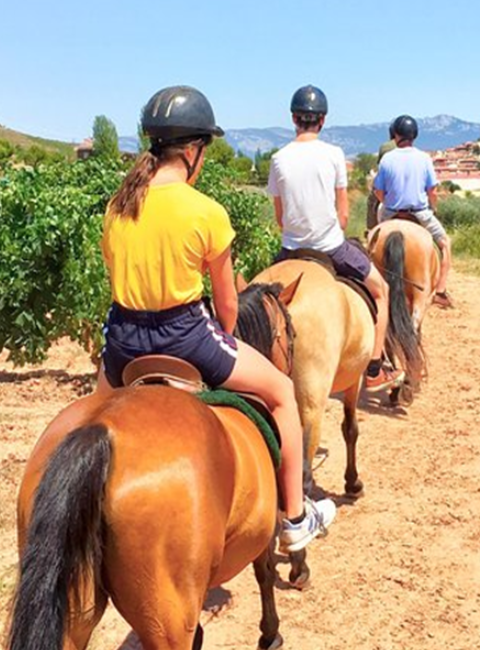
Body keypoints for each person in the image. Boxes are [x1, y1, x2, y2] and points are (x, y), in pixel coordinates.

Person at [98, 85, 335, 553]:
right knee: (284, 395)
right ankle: (293, 518)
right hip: (186, 335)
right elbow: (227, 306)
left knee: (88, 423)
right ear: (192, 151)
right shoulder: (205, 211)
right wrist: (227, 342)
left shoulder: (117, 207)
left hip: (122, 341)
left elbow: (116, 282)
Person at [267, 85, 405, 391]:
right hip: (331, 247)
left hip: (290, 251)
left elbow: (279, 218)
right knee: (381, 290)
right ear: (323, 120)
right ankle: (373, 369)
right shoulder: (334, 154)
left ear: (293, 118)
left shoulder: (278, 159)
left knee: (257, 299)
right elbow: (342, 215)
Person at [373, 114, 454, 308]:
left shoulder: (387, 159)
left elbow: (378, 191)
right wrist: (432, 208)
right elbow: (432, 191)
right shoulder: (425, 158)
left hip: (391, 212)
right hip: (419, 212)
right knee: (445, 244)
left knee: (374, 240)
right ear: (414, 135)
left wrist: (388, 203)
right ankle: (441, 291)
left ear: (396, 135)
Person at [366, 124, 397, 231]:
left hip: (388, 183)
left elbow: (381, 166)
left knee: (371, 199)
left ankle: (371, 228)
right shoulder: (408, 147)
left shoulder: (385, 147)